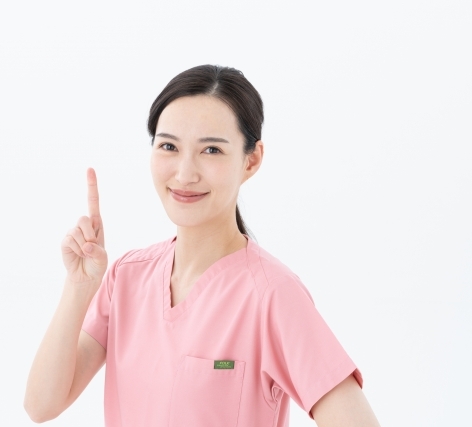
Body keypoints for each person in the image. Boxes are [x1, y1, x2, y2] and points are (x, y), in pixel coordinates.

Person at [24, 64, 381, 427]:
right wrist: (79, 287)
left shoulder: (272, 295)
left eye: (211, 150)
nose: (184, 173)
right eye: (169, 146)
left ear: (251, 160)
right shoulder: (126, 277)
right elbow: (41, 405)